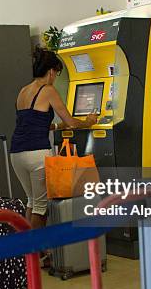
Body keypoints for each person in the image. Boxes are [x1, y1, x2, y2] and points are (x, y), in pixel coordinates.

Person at [10, 47, 97, 230]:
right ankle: (39, 252)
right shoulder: (48, 90)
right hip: (37, 154)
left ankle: (28, 252)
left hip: (16, 154)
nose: (55, 77)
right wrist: (88, 121)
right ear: (51, 71)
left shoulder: (22, 91)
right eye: (57, 73)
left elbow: (32, 122)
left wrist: (58, 126)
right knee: (41, 208)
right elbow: (72, 122)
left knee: (32, 201)